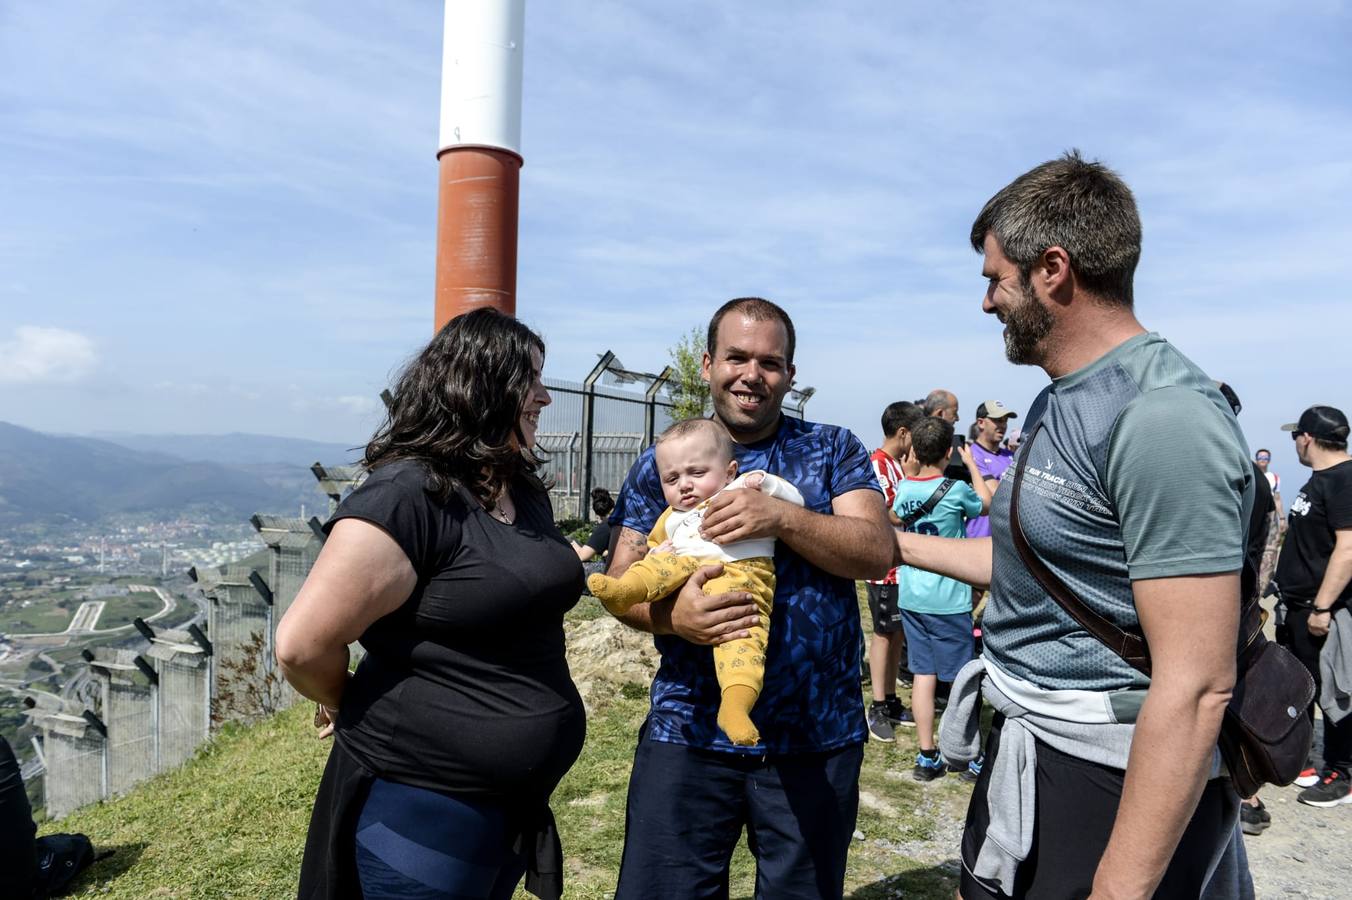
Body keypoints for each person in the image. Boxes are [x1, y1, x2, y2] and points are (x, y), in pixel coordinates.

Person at [895, 151, 1255, 898]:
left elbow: (1195, 688)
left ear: (1052, 270)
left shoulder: (1164, 416)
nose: (987, 302)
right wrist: (888, 542)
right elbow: (1035, 569)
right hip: (1030, 750)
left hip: (1111, 775)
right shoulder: (1059, 397)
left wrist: (1119, 887)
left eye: (996, 278)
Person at [278, 308, 586, 900]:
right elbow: (301, 645)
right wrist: (347, 700)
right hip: (422, 810)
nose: (545, 397)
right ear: (478, 387)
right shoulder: (407, 496)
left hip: (505, 806)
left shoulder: (515, 484)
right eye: (531, 380)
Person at [605, 297, 893, 900]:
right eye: (737, 357)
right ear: (708, 364)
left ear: (789, 374)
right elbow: (623, 579)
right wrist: (672, 617)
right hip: (688, 726)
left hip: (815, 732)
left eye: (770, 362)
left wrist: (784, 518)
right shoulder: (665, 463)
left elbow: (875, 551)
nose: (751, 374)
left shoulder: (831, 449)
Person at [588, 417, 804, 745]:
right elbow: (652, 546)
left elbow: (794, 501)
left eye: (697, 474)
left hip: (741, 580)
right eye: (671, 479)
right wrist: (656, 551)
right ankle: (622, 592)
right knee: (655, 568)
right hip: (685, 563)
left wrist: (766, 485)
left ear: (729, 472)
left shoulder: (742, 487)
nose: (684, 485)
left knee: (743, 646)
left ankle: (734, 708)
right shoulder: (671, 516)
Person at [891, 416, 991, 782]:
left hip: (913, 595)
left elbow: (895, 514)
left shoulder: (904, 490)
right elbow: (986, 504)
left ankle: (926, 754)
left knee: (923, 674)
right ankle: (968, 755)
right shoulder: (955, 488)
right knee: (962, 680)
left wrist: (907, 474)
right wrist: (972, 467)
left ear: (914, 450)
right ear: (949, 451)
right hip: (949, 598)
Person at [1273, 405, 1352, 807]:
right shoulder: (1319, 480)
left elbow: (1348, 547)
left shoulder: (1344, 479)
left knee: (1337, 692)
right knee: (1305, 687)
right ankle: (1304, 760)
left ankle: (1343, 772)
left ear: (1307, 437)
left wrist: (1323, 607)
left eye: (1295, 437)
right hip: (1300, 606)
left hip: (1326, 610)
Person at [865, 401, 925, 742]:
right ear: (902, 433)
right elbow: (888, 512)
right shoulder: (878, 465)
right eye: (913, 435)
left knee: (897, 633)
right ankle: (876, 705)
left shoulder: (897, 465)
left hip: (903, 568)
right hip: (885, 568)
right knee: (884, 634)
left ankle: (889, 699)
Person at [964, 400, 1018, 539]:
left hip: (1007, 540)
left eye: (1005, 421)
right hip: (978, 537)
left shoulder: (1011, 456)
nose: (1003, 426)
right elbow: (996, 493)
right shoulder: (971, 454)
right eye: (997, 420)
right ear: (981, 422)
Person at [1254, 448, 1285, 597]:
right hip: (1256, 513)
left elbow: (1277, 499)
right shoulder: (1252, 473)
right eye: (1260, 457)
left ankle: (1261, 588)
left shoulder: (1274, 477)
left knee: (1270, 551)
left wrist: (1282, 518)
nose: (1263, 459)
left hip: (1270, 515)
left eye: (1266, 457)